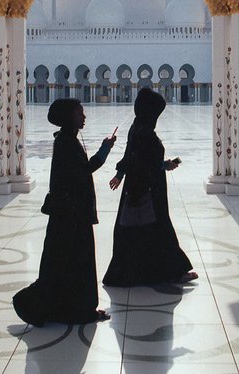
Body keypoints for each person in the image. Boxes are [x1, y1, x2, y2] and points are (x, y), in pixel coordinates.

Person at [12, 98, 116, 326]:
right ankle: (72, 309)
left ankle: (75, 308)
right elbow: (83, 171)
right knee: (74, 262)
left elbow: (79, 172)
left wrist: (103, 150)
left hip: (70, 213)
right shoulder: (66, 143)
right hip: (71, 215)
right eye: (80, 113)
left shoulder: (67, 140)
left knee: (69, 262)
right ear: (69, 117)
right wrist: (105, 150)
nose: (84, 117)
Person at [103, 86, 197, 288]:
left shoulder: (137, 127)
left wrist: (120, 174)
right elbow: (143, 162)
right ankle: (172, 271)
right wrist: (165, 165)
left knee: (137, 230)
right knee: (158, 228)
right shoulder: (144, 132)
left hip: (139, 186)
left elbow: (131, 156)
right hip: (147, 189)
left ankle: (136, 272)